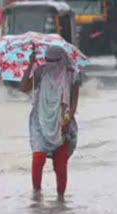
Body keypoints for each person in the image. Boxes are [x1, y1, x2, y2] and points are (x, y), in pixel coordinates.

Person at [20, 46, 80, 200]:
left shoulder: (72, 75)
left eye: (54, 61)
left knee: (60, 167)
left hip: (61, 121)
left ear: (62, 60)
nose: (51, 65)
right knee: (38, 158)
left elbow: (73, 101)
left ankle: (61, 201)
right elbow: (23, 87)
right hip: (40, 120)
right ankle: (36, 196)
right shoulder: (40, 72)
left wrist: (67, 119)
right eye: (48, 61)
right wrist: (30, 64)